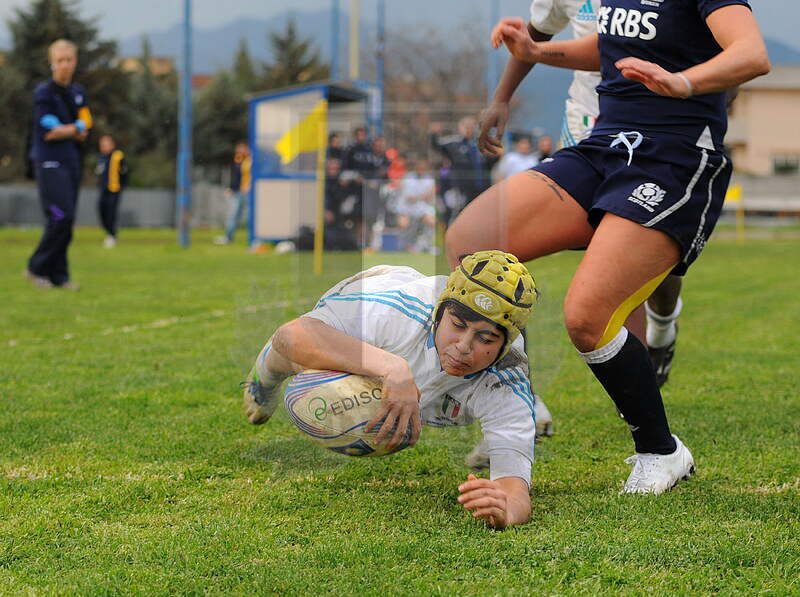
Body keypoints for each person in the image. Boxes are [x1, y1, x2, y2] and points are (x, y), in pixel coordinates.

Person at [446, 1, 770, 494]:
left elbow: (752, 53)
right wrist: (538, 51)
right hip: (606, 145)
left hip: (676, 157)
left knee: (587, 316)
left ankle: (662, 451)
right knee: (470, 242)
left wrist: (682, 82)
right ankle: (516, 407)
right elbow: (610, 45)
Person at [243, 250, 539, 529]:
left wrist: (506, 509)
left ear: (504, 345)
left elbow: (515, 490)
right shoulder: (394, 309)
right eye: (457, 325)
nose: (463, 347)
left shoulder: (506, 378)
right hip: (371, 312)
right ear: (439, 311)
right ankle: (264, 379)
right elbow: (291, 335)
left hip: (428, 389)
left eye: (485, 340)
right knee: (308, 364)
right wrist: (392, 369)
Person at [478, 0, 685, 387]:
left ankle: (662, 323)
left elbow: (728, 53)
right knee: (496, 240)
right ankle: (520, 398)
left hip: (659, 132)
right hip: (587, 130)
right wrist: (501, 98)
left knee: (647, 261)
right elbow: (535, 35)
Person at [25, 39, 92, 290]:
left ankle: (59, 276)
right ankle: (36, 266)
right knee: (59, 217)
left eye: (69, 60)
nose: (64, 65)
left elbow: (85, 127)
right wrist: (73, 129)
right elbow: (49, 130)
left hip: (71, 160)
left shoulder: (78, 93)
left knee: (68, 220)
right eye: (60, 60)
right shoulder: (44, 93)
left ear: (75, 62)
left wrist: (71, 129)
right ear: (52, 62)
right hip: (49, 162)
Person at [429, 118, 495, 223]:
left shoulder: (481, 144)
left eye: (471, 126)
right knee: (461, 214)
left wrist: (497, 155)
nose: (469, 129)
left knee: (482, 216)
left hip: (481, 187)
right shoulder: (454, 143)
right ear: (460, 128)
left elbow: (490, 163)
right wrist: (434, 134)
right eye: (466, 126)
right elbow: (437, 146)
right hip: (462, 188)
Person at [394, 158, 437, 253]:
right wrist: (423, 196)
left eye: (423, 168)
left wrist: (423, 197)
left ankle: (427, 245)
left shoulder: (429, 179)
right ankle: (403, 246)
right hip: (406, 208)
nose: (421, 170)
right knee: (403, 224)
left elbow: (430, 195)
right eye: (419, 168)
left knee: (431, 222)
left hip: (422, 208)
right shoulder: (408, 178)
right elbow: (409, 197)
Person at [215, 141, 252, 245]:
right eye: (239, 149)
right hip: (239, 192)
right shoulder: (238, 160)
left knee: (251, 216)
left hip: (249, 193)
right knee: (233, 215)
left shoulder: (252, 160)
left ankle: (254, 238)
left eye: (243, 149)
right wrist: (231, 188)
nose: (240, 151)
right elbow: (236, 177)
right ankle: (228, 237)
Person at [95, 134, 128, 248]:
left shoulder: (118, 156)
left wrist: (122, 186)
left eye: (106, 143)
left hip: (114, 189)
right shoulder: (101, 157)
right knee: (101, 210)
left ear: (112, 144)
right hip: (103, 189)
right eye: (102, 144)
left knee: (111, 213)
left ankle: (112, 235)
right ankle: (109, 232)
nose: (104, 146)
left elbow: (125, 172)